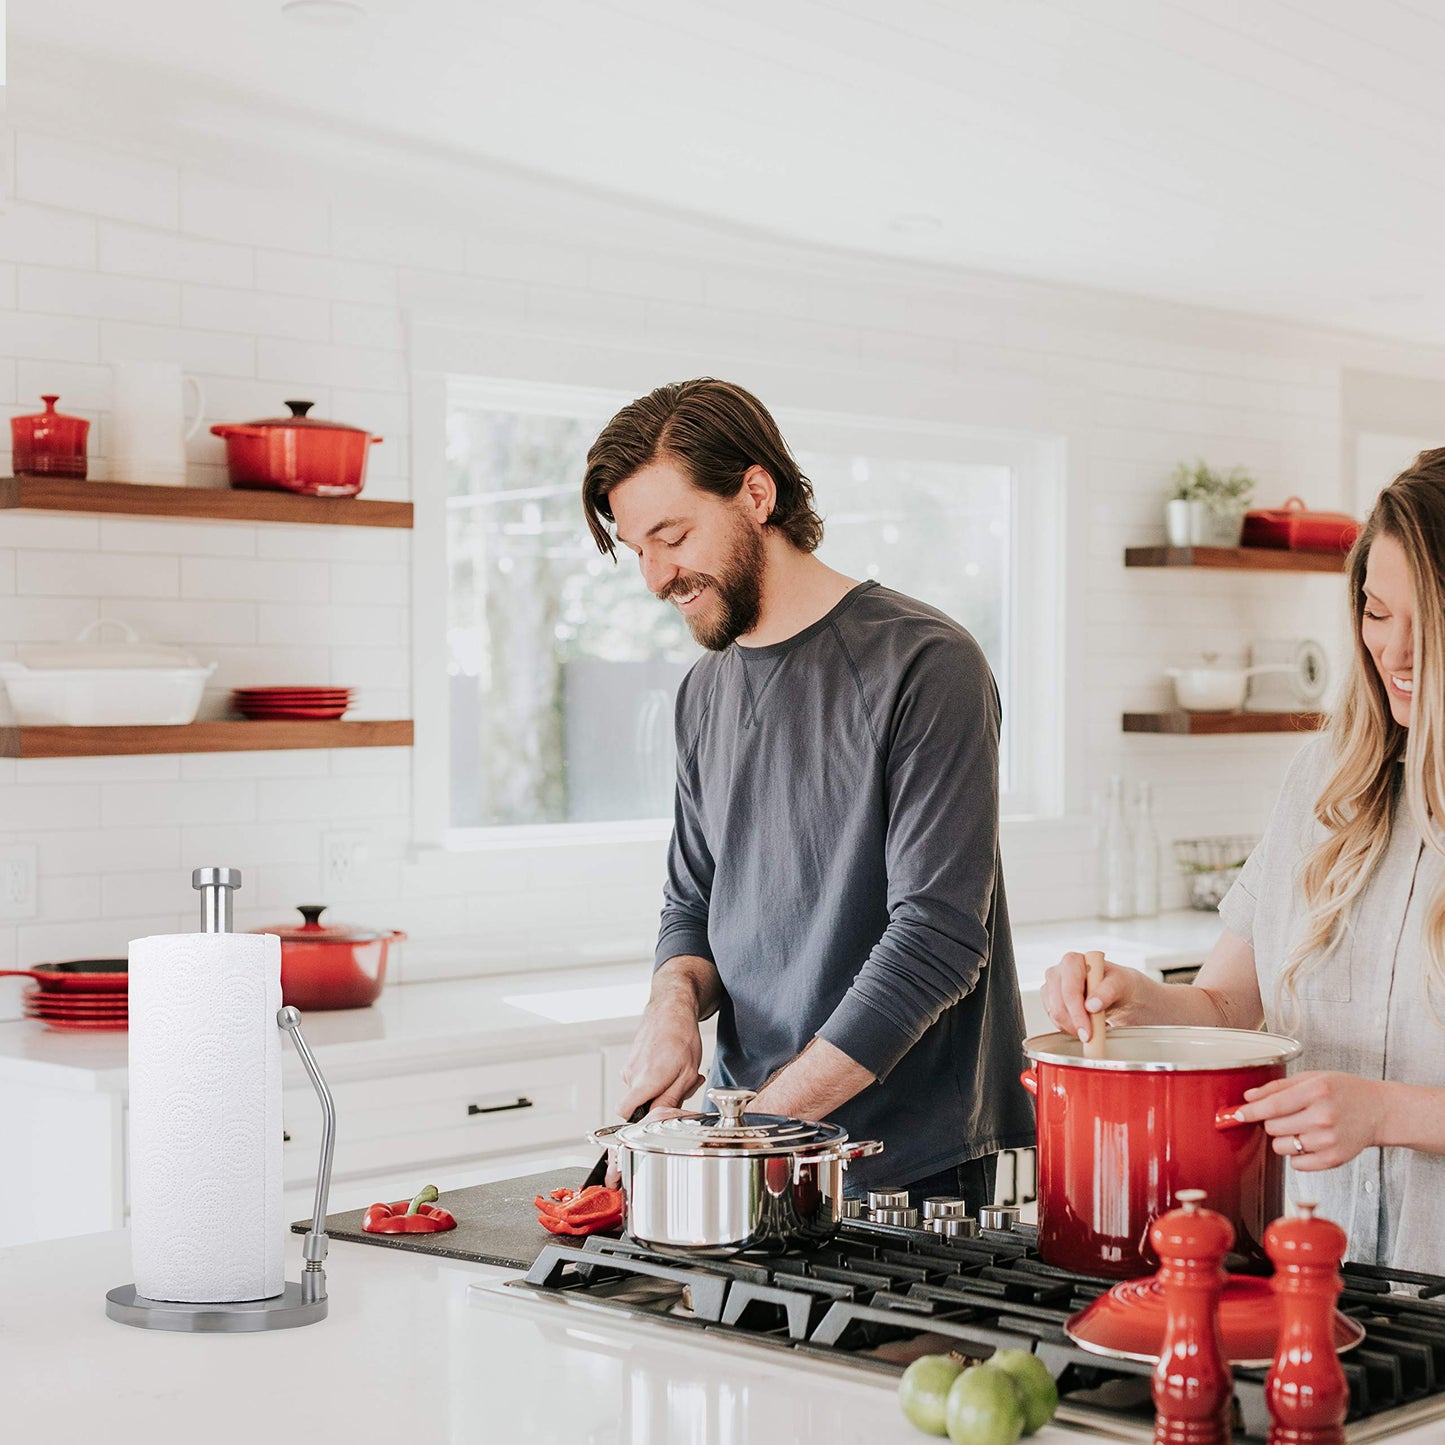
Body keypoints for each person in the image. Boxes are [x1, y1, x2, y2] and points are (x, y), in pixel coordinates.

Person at [581, 378, 1034, 1209]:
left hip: (903, 1165)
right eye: (635, 548)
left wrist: (748, 1135)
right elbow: (693, 903)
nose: (654, 577)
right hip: (743, 1141)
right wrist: (671, 1005)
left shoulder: (926, 664)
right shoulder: (702, 691)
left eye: (671, 536)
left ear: (757, 493)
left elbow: (937, 941)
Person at [1043, 455, 1445, 1271]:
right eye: (1374, 612)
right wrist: (1139, 1000)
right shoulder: (1322, 779)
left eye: (1428, 622)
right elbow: (1230, 1006)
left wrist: (1391, 1112)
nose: (1392, 651)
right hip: (1313, 1273)